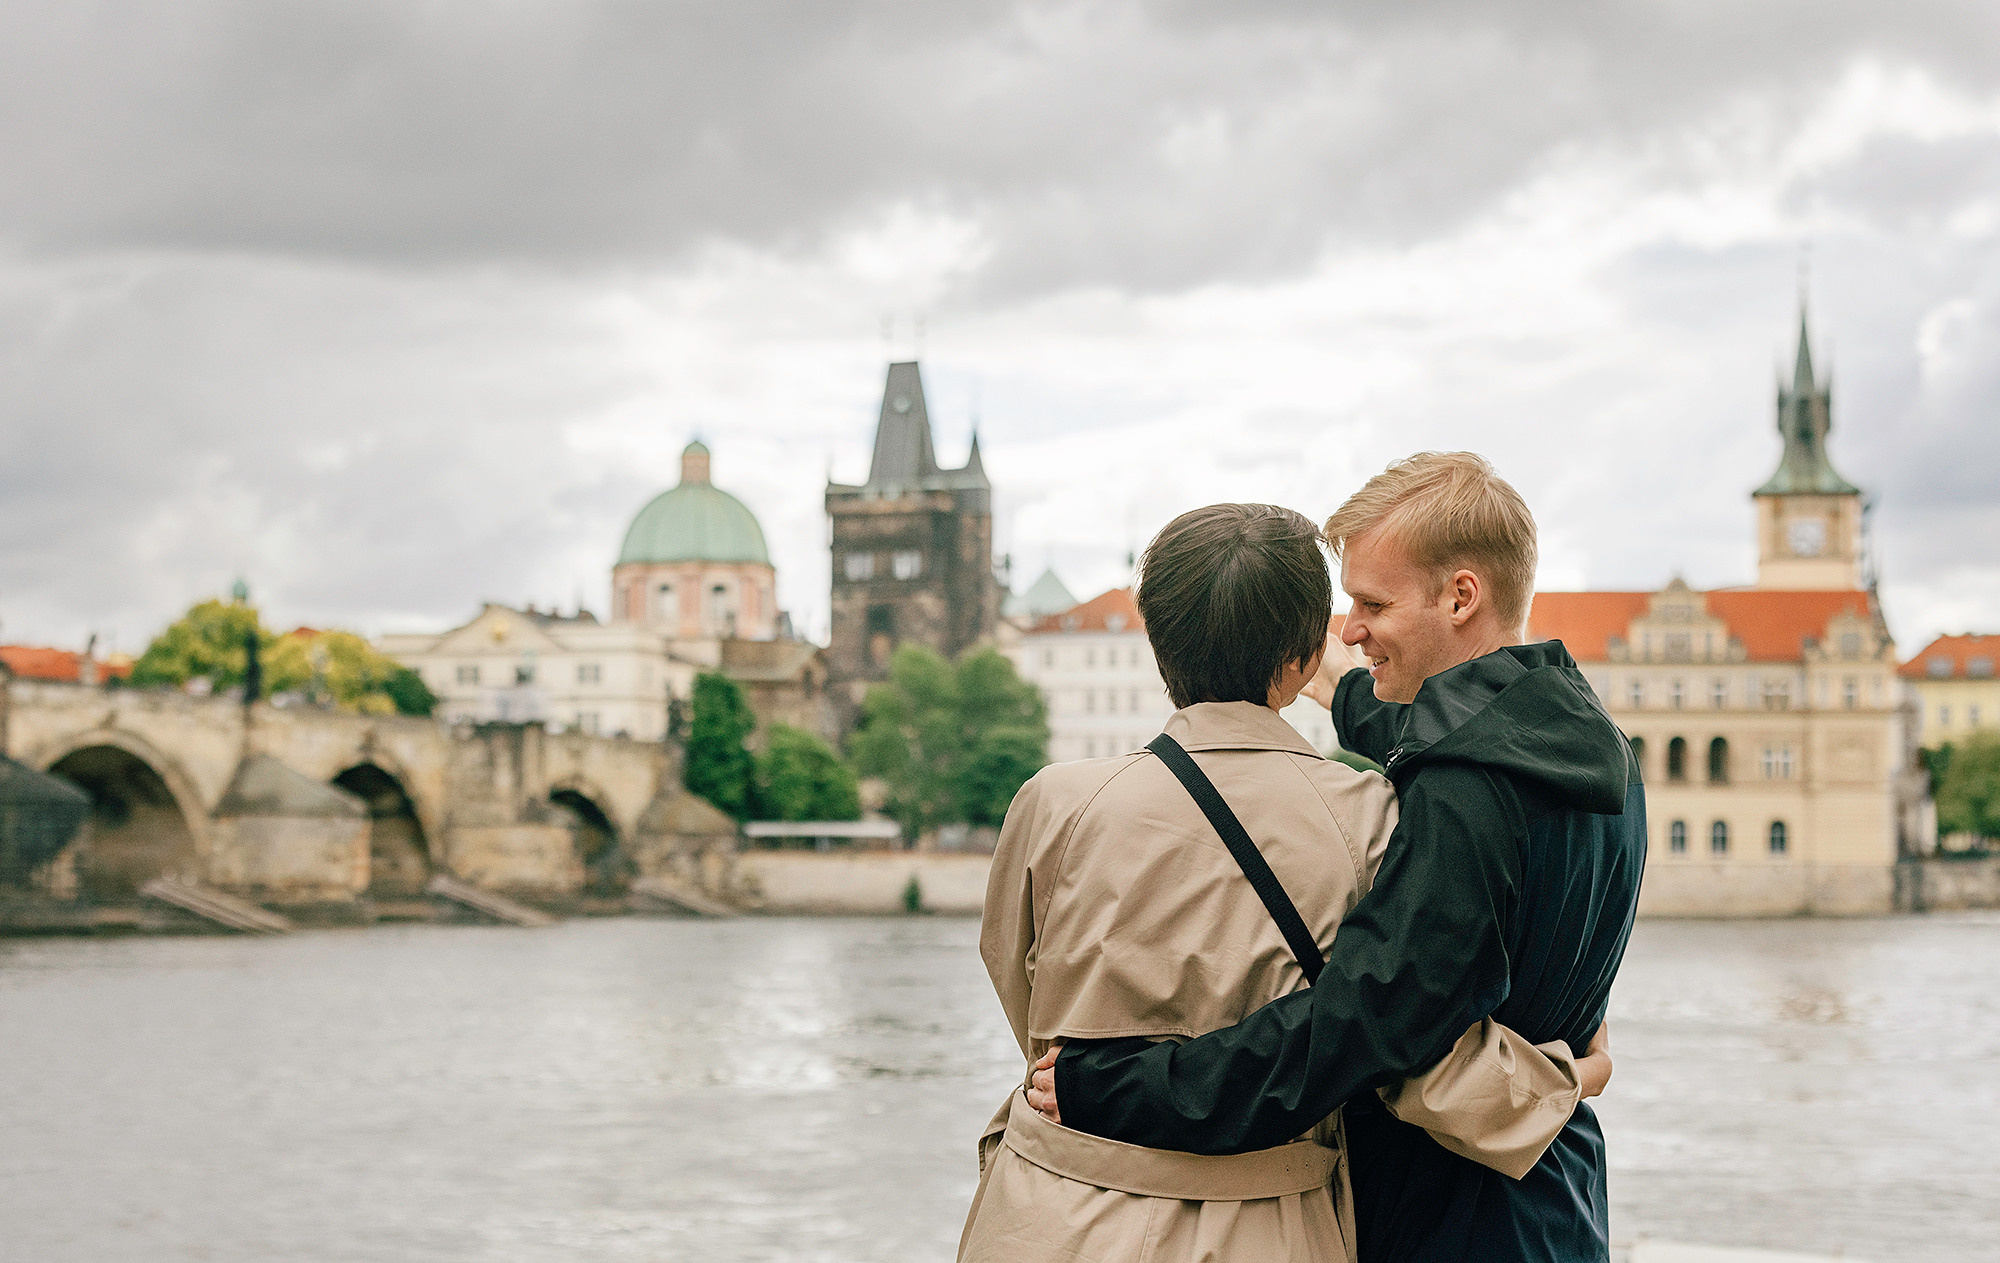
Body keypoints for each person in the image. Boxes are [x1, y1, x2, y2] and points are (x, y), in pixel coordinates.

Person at [1028, 454, 1647, 1263]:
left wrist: (1114, 1089)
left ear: (1462, 596)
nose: (1350, 628)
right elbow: (1436, 739)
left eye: (1372, 604)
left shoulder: (1469, 792)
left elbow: (1352, 1029)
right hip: (1556, 1195)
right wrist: (1344, 690)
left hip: (1450, 1217)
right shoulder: (1588, 745)